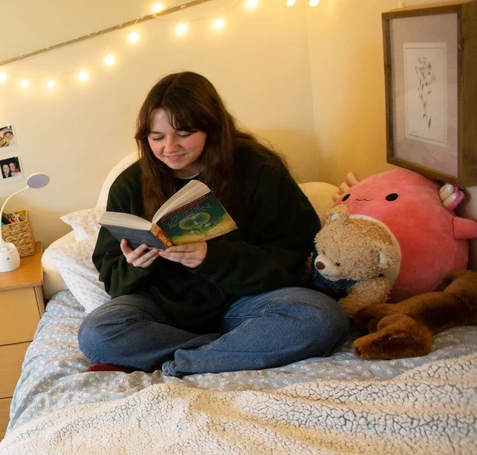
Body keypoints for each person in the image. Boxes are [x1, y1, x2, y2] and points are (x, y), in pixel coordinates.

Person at [79, 71, 346, 376]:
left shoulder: (258, 168)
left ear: (212, 128)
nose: (169, 147)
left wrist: (212, 258)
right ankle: (236, 348)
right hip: (162, 313)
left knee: (323, 317)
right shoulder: (129, 185)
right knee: (96, 334)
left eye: (183, 133)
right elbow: (112, 278)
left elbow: (294, 254)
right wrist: (135, 265)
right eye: (157, 137)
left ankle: (183, 362)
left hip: (244, 303)